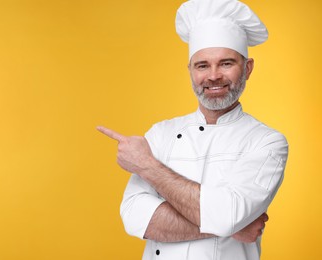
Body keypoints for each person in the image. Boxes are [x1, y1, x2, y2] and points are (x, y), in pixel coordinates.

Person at [97, 0, 288, 259]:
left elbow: (226, 216)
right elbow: (135, 216)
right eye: (202, 65)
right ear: (190, 71)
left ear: (248, 68)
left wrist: (148, 166)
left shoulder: (267, 142)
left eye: (226, 63)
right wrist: (230, 227)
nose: (213, 76)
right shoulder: (161, 133)